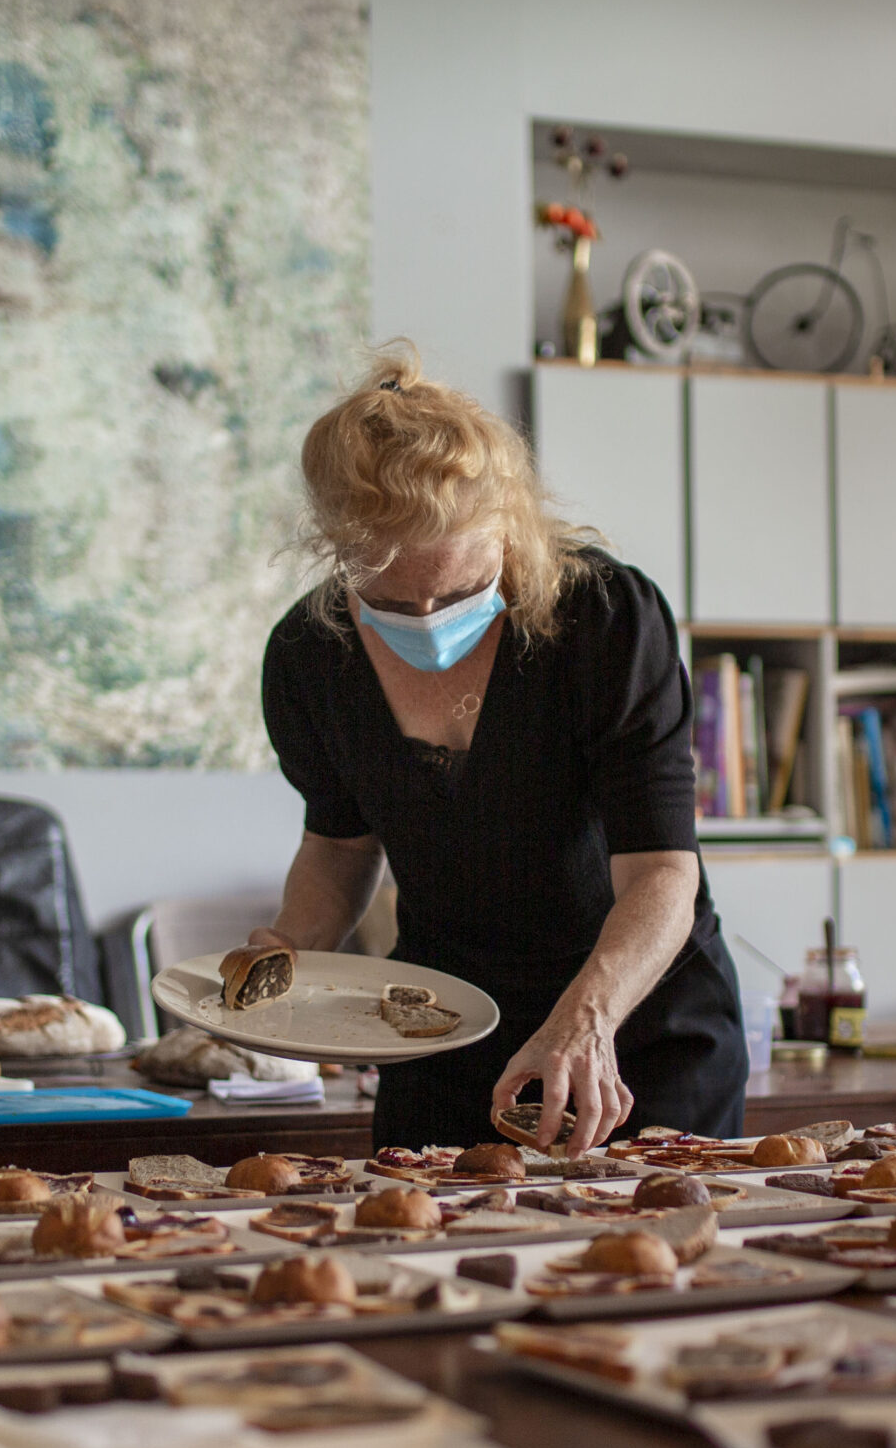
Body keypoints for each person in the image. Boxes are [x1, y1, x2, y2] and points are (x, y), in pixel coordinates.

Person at [255, 346, 746, 1156]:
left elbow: (663, 873)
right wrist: (282, 955)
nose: (425, 617)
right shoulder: (312, 657)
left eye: (456, 594)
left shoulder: (605, 620)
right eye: (388, 599)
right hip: (440, 1032)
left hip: (631, 1024)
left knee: (640, 1267)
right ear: (336, 552)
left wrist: (583, 1022)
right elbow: (339, 849)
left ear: (510, 531)